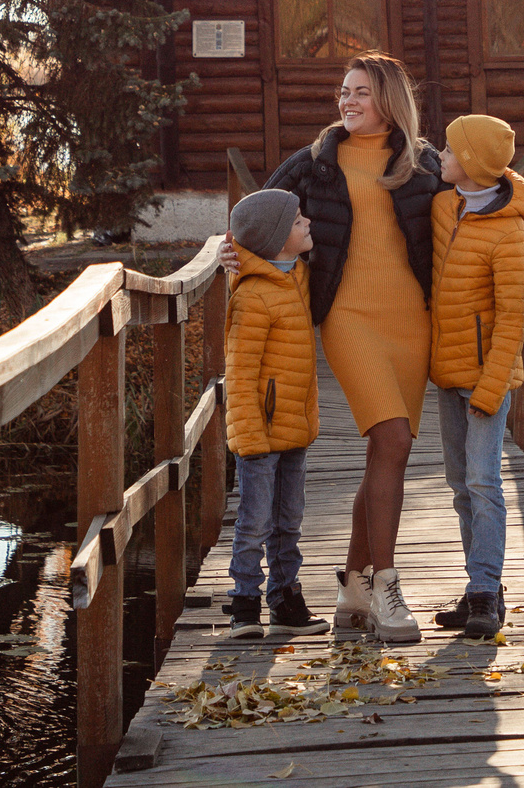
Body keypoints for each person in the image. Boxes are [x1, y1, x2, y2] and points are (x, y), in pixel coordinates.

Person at [265, 53, 441, 642]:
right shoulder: (316, 161)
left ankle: (351, 592)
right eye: (344, 91)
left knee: (386, 455)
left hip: (410, 324)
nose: (347, 101)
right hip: (347, 317)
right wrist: (240, 254)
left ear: (389, 99)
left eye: (360, 92)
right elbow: (260, 215)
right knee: (390, 437)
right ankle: (387, 585)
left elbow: (481, 194)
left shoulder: (421, 162)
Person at [424, 114, 524, 639]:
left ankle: (487, 594)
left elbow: (514, 320)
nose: (439, 158)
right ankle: (478, 590)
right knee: (460, 486)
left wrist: (491, 390)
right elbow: (504, 191)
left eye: (447, 151)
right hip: (448, 372)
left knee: (483, 483)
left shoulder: (511, 236)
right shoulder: (445, 206)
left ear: (468, 164)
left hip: (486, 379)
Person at [221, 187, 329, 639]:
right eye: (298, 219)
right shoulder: (252, 297)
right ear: (274, 237)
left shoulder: (297, 274)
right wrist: (247, 436)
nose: (307, 223)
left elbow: (260, 264)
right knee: (254, 520)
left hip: (295, 426)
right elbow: (241, 374)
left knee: (290, 520)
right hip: (260, 433)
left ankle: (286, 598)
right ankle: (244, 604)